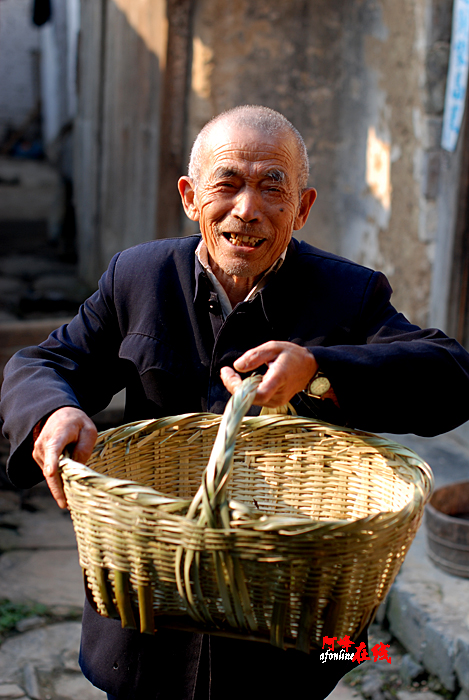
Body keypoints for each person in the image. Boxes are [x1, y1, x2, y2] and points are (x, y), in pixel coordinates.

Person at [2, 105, 469, 699]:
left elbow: (452, 374)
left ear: (302, 208)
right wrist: (54, 412)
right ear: (191, 196)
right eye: (227, 183)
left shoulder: (349, 294)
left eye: (273, 188)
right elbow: (43, 363)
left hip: (290, 627)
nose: (246, 209)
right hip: (147, 618)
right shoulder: (138, 276)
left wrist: (320, 369)